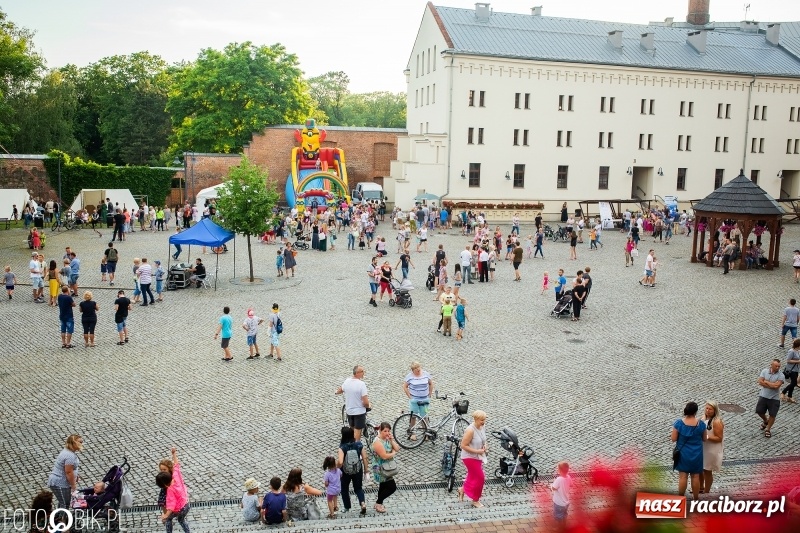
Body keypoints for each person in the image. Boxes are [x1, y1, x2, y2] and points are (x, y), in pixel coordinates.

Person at [671, 401, 707, 500]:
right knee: (695, 477)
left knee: (683, 477)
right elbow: (704, 439)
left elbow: (673, 438)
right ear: (695, 412)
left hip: (683, 454)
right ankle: (696, 498)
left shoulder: (679, 423)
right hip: (697, 454)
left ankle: (681, 498)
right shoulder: (701, 425)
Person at [156, 447, 191, 533]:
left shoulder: (170, 490)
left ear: (164, 485)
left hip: (179, 509)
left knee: (168, 520)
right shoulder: (176, 475)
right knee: (181, 520)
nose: (162, 472)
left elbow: (171, 504)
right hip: (186, 504)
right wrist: (174, 454)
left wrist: (166, 515)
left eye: (164, 470)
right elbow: (176, 465)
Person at [458, 410, 488, 508]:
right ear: (475, 419)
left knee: (472, 475)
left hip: (478, 456)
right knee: (480, 477)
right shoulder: (470, 430)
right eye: (481, 420)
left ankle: (462, 489)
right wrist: (477, 451)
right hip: (469, 457)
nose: (483, 422)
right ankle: (475, 500)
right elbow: (463, 445)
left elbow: (484, 439)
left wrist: (485, 447)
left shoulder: (482, 427)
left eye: (484, 419)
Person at [337, 426, 369, 515]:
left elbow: (340, 461)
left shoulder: (342, 447)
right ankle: (362, 503)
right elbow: (365, 458)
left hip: (345, 471)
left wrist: (336, 467)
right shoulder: (358, 444)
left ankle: (347, 507)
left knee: (344, 489)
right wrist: (366, 470)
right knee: (358, 488)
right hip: (357, 469)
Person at [47, 434, 83, 510]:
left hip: (61, 482)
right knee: (65, 504)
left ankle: (58, 519)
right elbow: (68, 472)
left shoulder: (68, 452)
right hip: (60, 483)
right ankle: (62, 521)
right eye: (80, 442)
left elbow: (71, 470)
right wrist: (73, 486)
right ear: (74, 443)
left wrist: (75, 476)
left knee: (62, 503)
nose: (81, 444)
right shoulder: (70, 456)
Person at [337, 365, 370, 442]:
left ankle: (352, 445)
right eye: (362, 371)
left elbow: (341, 389)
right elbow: (365, 402)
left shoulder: (347, 381)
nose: (363, 373)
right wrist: (368, 406)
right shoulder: (361, 384)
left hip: (349, 411)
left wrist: (336, 392)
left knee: (352, 428)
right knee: (358, 431)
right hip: (359, 412)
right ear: (357, 373)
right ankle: (357, 447)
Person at [372, 422, 399, 513]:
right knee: (392, 487)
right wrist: (393, 453)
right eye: (385, 431)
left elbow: (397, 448)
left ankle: (379, 504)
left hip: (387, 466)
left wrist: (391, 440)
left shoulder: (387, 439)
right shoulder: (377, 442)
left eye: (388, 431)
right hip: (380, 467)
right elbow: (384, 456)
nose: (387, 433)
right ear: (380, 431)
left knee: (383, 486)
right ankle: (378, 503)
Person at [757, 359, 786, 438]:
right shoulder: (764, 371)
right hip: (763, 395)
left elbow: (776, 386)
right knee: (759, 411)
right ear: (771, 365)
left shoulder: (781, 375)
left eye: (779, 366)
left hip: (774, 398)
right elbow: (760, 381)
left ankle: (768, 429)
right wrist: (771, 385)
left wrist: (766, 382)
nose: (777, 367)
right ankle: (766, 421)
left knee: (772, 414)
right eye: (776, 366)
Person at [700, 401, 724, 494]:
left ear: (715, 410)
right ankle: (701, 487)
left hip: (711, 450)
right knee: (701, 469)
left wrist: (707, 437)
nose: (708, 411)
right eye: (706, 408)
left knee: (707, 470)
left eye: (710, 409)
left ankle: (706, 490)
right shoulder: (703, 418)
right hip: (704, 448)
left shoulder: (717, 422)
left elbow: (719, 438)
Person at [404, 361, 434, 429]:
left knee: (424, 416)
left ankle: (426, 432)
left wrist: (430, 393)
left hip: (424, 399)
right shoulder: (410, 376)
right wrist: (410, 397)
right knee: (413, 416)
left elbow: (431, 383)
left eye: (418, 367)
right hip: (414, 400)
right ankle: (412, 432)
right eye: (415, 368)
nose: (418, 369)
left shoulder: (425, 374)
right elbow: (405, 386)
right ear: (412, 370)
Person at [551, 461, 572, 530]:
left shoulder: (559, 479)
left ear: (559, 470)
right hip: (566, 502)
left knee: (558, 516)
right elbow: (571, 485)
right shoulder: (568, 477)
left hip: (559, 503)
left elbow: (553, 488)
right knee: (564, 515)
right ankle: (564, 526)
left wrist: (551, 485)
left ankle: (559, 528)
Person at [782, 338, 800, 403]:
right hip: (791, 369)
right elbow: (788, 360)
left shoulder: (798, 351)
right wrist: (798, 361)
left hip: (796, 369)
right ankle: (783, 392)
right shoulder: (791, 351)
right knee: (794, 383)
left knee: (793, 383)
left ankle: (789, 397)